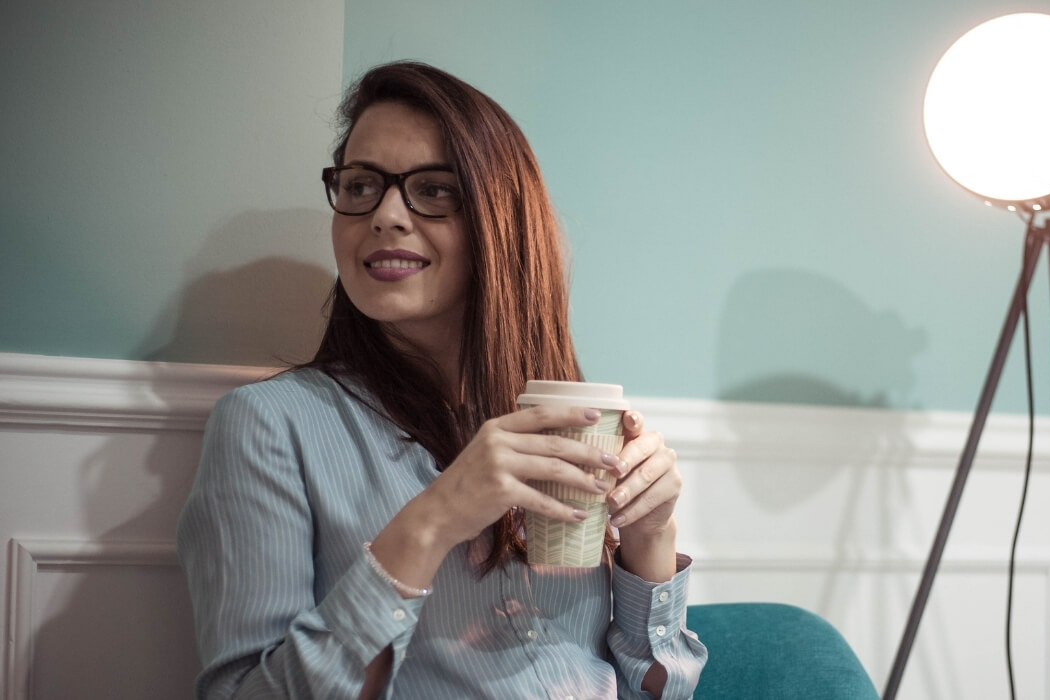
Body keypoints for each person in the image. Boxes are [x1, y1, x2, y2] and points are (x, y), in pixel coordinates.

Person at [176, 61, 707, 699]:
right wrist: (432, 523)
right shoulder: (269, 426)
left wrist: (650, 539)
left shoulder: (557, 416)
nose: (385, 215)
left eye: (432, 189)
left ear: (500, 219)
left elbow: (662, 692)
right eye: (361, 185)